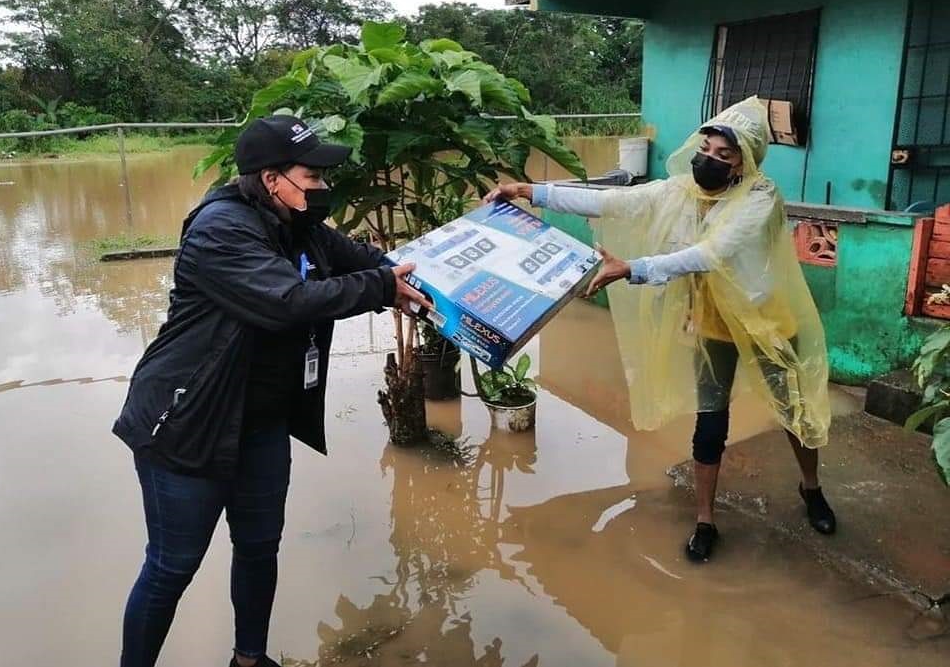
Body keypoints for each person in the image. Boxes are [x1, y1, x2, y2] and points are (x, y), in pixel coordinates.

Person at [112, 115, 431, 667]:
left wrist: (407, 276)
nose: (323, 186)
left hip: (259, 426)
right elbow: (285, 301)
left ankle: (249, 660)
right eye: (312, 175)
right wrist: (381, 286)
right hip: (189, 423)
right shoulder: (221, 230)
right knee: (172, 566)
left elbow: (360, 261)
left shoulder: (298, 224)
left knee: (259, 549)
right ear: (271, 179)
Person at [486, 97, 836, 563]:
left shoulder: (759, 197)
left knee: (794, 413)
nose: (708, 158)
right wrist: (530, 192)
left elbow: (714, 253)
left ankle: (811, 489)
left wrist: (633, 268)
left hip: (765, 321)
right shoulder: (679, 191)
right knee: (710, 424)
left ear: (744, 162)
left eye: (723, 154)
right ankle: (705, 520)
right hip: (714, 327)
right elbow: (614, 200)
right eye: (706, 146)